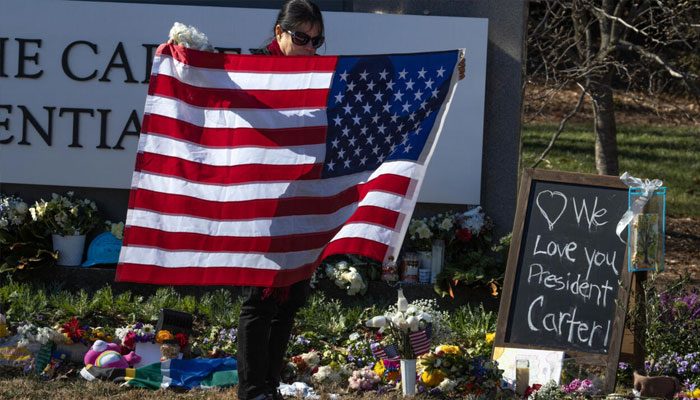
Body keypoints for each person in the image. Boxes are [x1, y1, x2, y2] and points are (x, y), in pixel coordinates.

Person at [237, 4, 325, 400]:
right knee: (260, 299)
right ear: (279, 33)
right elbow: (209, 85)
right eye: (302, 38)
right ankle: (252, 389)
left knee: (290, 300)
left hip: (302, 200)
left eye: (316, 39)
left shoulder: (323, 73)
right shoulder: (251, 68)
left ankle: (269, 386)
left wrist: (444, 78)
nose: (310, 47)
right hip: (262, 202)